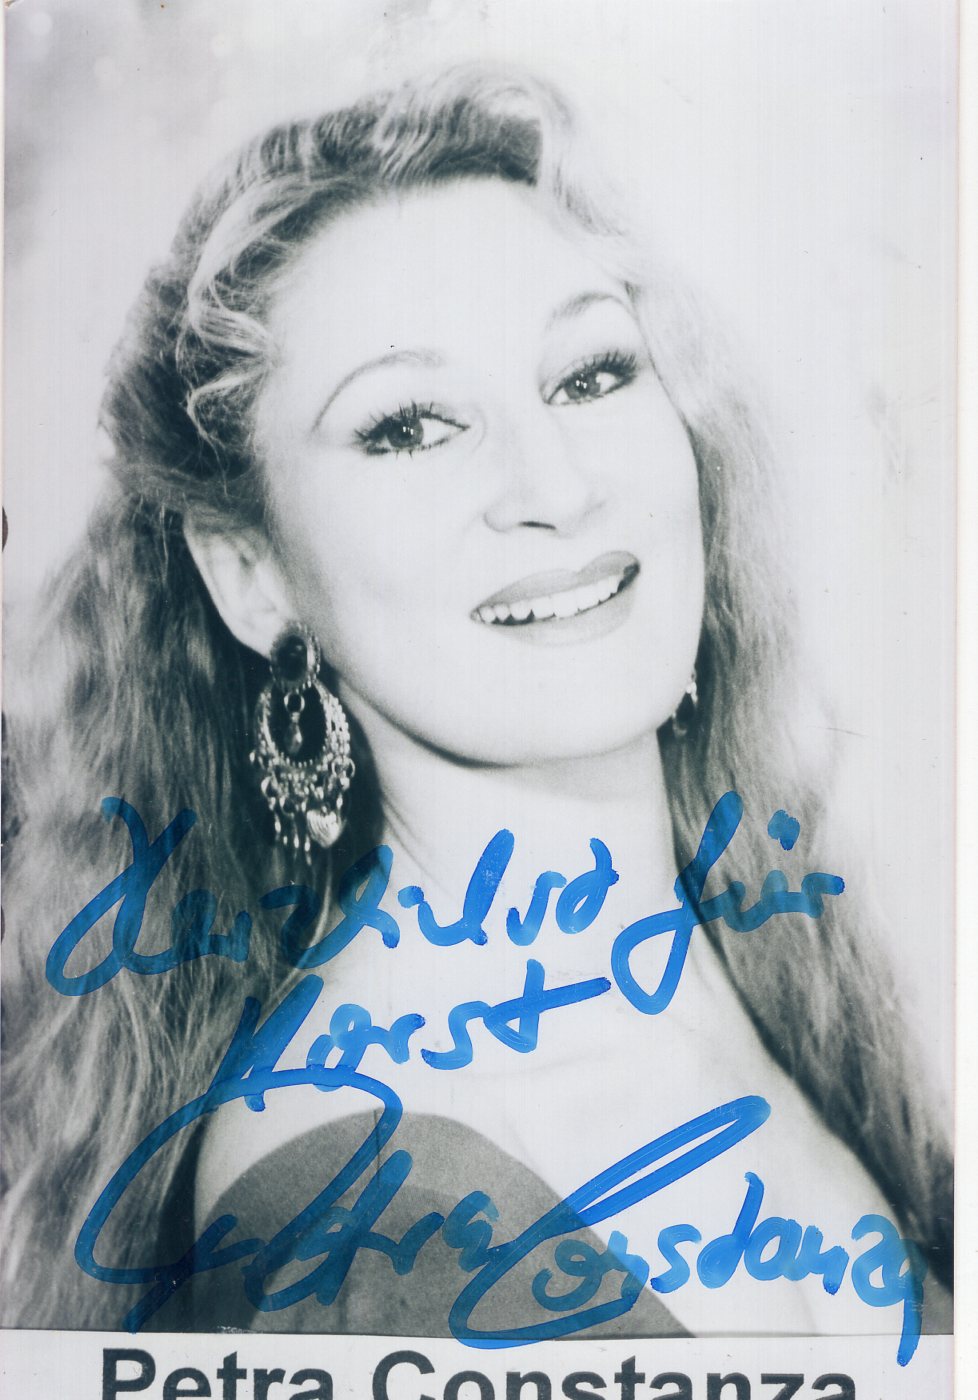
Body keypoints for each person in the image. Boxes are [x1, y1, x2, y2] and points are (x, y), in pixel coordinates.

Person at [0, 64, 951, 1341]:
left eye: (591, 374)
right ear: (252, 575)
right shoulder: (364, 1224)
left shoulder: (796, 972)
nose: (556, 484)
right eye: (408, 426)